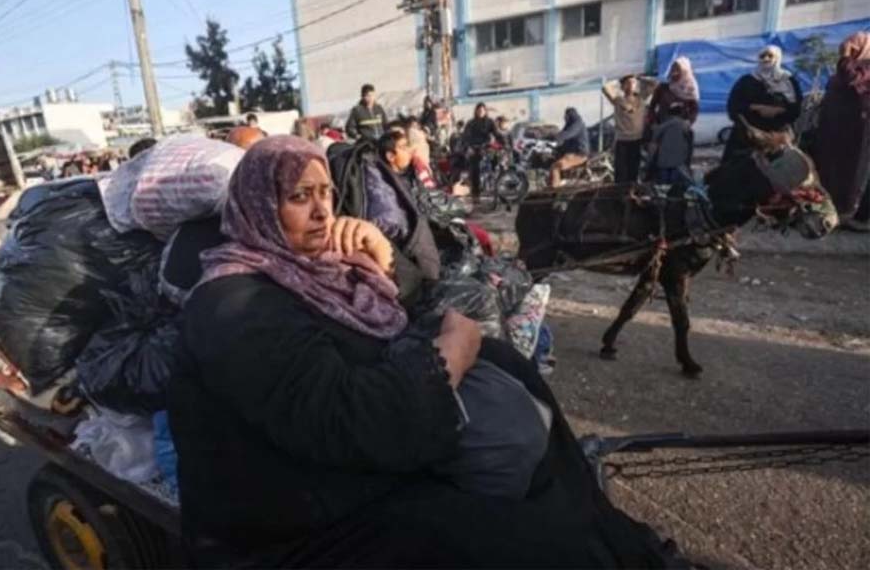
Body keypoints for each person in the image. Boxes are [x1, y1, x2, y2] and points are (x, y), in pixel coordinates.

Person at [168, 136, 681, 568]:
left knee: (526, 408)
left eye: (326, 192)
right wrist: (451, 354)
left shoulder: (319, 268)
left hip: (354, 476)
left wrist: (383, 258)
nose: (324, 210)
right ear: (258, 207)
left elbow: (408, 314)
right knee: (538, 547)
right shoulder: (232, 305)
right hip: (294, 524)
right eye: (300, 196)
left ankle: (616, 540)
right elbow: (350, 418)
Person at [809, 31, 870, 231]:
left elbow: (851, 78)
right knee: (828, 170)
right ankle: (830, 209)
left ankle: (848, 213)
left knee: (850, 174)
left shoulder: (864, 70)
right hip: (833, 132)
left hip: (857, 134)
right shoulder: (843, 73)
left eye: (852, 47)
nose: (847, 51)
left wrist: (845, 58)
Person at [722, 45, 802, 164]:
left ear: (778, 58)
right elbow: (733, 106)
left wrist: (778, 111)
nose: (766, 59)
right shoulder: (746, 81)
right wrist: (755, 107)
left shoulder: (788, 81)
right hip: (748, 137)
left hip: (778, 139)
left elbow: (797, 108)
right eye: (762, 56)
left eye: (770, 56)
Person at [603, 74, 659, 183]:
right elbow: (605, 88)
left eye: (633, 83)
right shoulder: (618, 100)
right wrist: (619, 79)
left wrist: (639, 77)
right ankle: (620, 195)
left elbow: (654, 84)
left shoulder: (641, 99)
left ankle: (630, 194)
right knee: (621, 173)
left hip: (636, 140)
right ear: (623, 86)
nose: (630, 85)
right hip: (622, 140)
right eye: (627, 83)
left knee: (633, 172)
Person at [647, 103, 694, 187]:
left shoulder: (663, 125)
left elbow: (654, 140)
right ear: (681, 113)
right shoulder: (685, 125)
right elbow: (689, 143)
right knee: (674, 182)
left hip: (664, 158)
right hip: (678, 159)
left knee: (663, 182)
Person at [647, 57, 700, 129]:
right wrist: (653, 122)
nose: (674, 72)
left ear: (685, 72)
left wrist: (689, 122)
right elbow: (652, 106)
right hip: (662, 127)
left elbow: (694, 109)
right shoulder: (663, 87)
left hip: (681, 128)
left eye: (678, 69)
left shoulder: (690, 89)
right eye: (673, 68)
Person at [462, 103, 501, 199]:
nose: (480, 112)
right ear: (476, 111)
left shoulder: (490, 122)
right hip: (475, 148)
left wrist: (503, 143)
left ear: (485, 111)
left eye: (482, 110)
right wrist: (468, 147)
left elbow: (496, 134)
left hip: (487, 147)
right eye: (479, 111)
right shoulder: (471, 123)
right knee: (475, 169)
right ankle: (476, 194)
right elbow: (465, 137)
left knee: (498, 160)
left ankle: (496, 183)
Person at [550, 107, 589, 188]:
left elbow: (567, 134)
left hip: (578, 154)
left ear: (569, 115)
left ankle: (555, 189)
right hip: (572, 152)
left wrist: (556, 137)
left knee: (555, 167)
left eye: (566, 116)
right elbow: (563, 134)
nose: (564, 118)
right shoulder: (570, 124)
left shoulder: (577, 123)